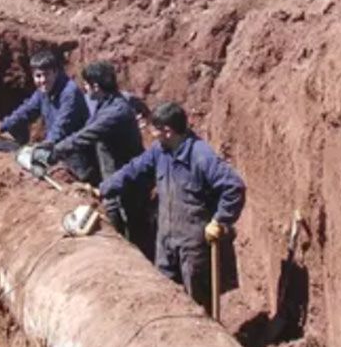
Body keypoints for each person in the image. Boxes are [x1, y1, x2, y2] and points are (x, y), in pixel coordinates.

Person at [98, 102, 245, 315]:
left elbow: (234, 186)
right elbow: (134, 169)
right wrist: (104, 188)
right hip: (166, 239)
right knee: (164, 295)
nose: (151, 134)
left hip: (192, 243)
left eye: (155, 130)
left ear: (168, 131)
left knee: (197, 301)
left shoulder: (201, 156)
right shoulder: (160, 151)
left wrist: (220, 220)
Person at [43, 61, 153, 255]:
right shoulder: (108, 102)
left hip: (128, 183)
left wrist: (54, 151)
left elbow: (86, 136)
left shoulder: (115, 112)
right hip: (115, 177)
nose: (83, 88)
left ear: (95, 86)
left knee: (131, 226)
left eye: (86, 84)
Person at [0, 50, 91, 180]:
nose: (42, 80)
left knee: (80, 185)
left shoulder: (70, 93)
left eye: (46, 74)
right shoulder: (43, 91)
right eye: (38, 76)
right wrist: (0, 127)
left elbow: (62, 125)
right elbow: (26, 111)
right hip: (60, 151)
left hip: (79, 155)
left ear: (55, 72)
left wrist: (44, 146)